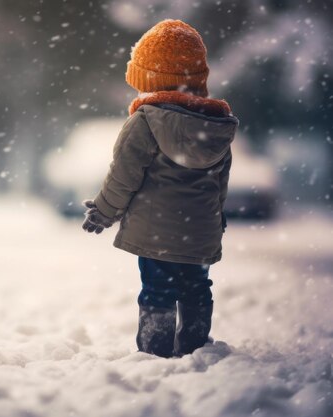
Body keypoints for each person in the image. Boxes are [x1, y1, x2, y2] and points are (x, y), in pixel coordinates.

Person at [82, 20, 238, 358]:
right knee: (197, 289)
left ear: (150, 82)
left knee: (157, 291)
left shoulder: (147, 120)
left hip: (155, 234)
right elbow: (219, 182)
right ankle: (196, 348)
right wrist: (216, 217)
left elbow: (124, 174)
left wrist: (104, 210)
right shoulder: (216, 126)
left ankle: (155, 353)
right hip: (199, 231)